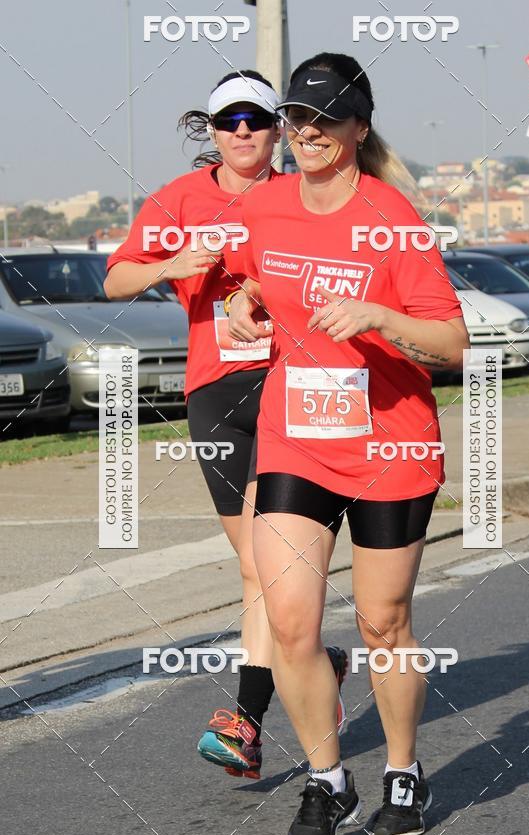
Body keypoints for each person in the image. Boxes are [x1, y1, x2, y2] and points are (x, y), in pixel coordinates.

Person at [228, 52, 470, 835]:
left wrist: (376, 315)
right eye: (296, 117)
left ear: (359, 128)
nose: (307, 132)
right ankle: (329, 780)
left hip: (390, 440)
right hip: (298, 435)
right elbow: (252, 279)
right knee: (291, 620)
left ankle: (404, 770)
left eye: (327, 119)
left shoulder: (392, 218)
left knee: (382, 621)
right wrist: (243, 300)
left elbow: (451, 341)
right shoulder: (265, 207)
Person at [104, 70, 348, 781]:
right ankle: (311, 659)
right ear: (208, 131)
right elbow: (116, 278)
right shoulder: (179, 199)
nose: (243, 132)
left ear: (278, 127)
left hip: (288, 386)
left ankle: (245, 721)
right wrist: (171, 263)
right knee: (258, 570)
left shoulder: (297, 194)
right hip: (213, 394)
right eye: (227, 121)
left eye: (256, 119)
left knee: (262, 569)